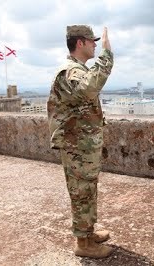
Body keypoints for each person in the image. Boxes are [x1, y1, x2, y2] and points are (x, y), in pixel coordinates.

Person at [47, 25, 114, 258]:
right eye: (91, 41)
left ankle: (87, 234)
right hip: (77, 148)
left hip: (83, 147)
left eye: (98, 41)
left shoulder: (78, 69)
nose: (95, 44)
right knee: (81, 193)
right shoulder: (69, 72)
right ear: (80, 43)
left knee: (87, 191)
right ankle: (83, 245)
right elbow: (89, 88)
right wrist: (106, 54)